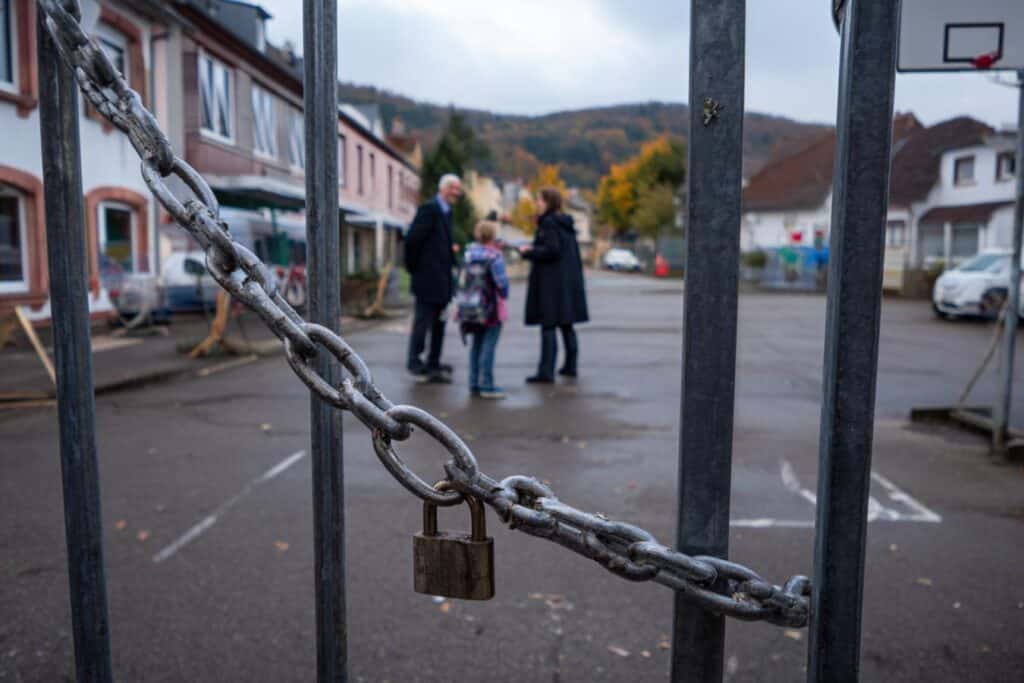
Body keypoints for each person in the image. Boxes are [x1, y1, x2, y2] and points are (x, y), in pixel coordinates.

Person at [520, 187, 589, 383]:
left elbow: (552, 250)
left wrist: (529, 251)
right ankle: (570, 366)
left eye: (539, 201)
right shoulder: (564, 223)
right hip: (566, 283)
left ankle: (546, 371)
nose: (537, 204)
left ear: (548, 202)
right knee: (566, 325)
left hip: (551, 283)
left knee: (548, 326)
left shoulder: (549, 223)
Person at [404, 174, 462, 383]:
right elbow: (412, 241)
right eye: (454, 188)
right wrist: (414, 269)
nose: (457, 193)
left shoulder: (446, 212)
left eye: (458, 189)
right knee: (423, 323)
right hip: (427, 280)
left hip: (442, 281)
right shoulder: (430, 210)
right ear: (444, 188)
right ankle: (416, 362)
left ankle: (433, 362)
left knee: (439, 323)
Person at [457, 220, 510, 399]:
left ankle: (474, 383)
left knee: (476, 345)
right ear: (493, 235)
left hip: (471, 307)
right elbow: (502, 285)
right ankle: (487, 385)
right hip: (491, 308)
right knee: (489, 345)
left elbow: (461, 280)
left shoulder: (468, 254)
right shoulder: (494, 256)